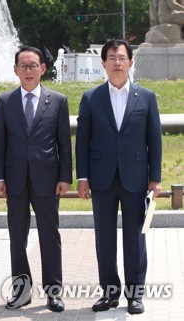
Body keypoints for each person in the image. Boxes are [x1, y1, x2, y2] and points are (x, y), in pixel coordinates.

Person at [76, 39, 162, 315]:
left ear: (130, 62)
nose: (117, 62)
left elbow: (154, 140)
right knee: (104, 237)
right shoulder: (91, 98)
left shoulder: (146, 97)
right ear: (103, 64)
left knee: (135, 238)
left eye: (121, 57)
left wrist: (155, 178)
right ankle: (109, 293)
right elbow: (83, 141)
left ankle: (135, 295)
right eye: (111, 58)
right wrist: (83, 177)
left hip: (136, 177)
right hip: (101, 178)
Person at [0, 46, 72, 312]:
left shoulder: (58, 100)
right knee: (17, 236)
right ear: (15, 70)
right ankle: (22, 290)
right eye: (23, 66)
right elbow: (0, 143)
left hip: (47, 178)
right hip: (14, 179)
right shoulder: (4, 101)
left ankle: (54, 291)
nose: (28, 71)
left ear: (43, 69)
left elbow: (64, 144)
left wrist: (65, 177)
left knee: (50, 235)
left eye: (33, 65)